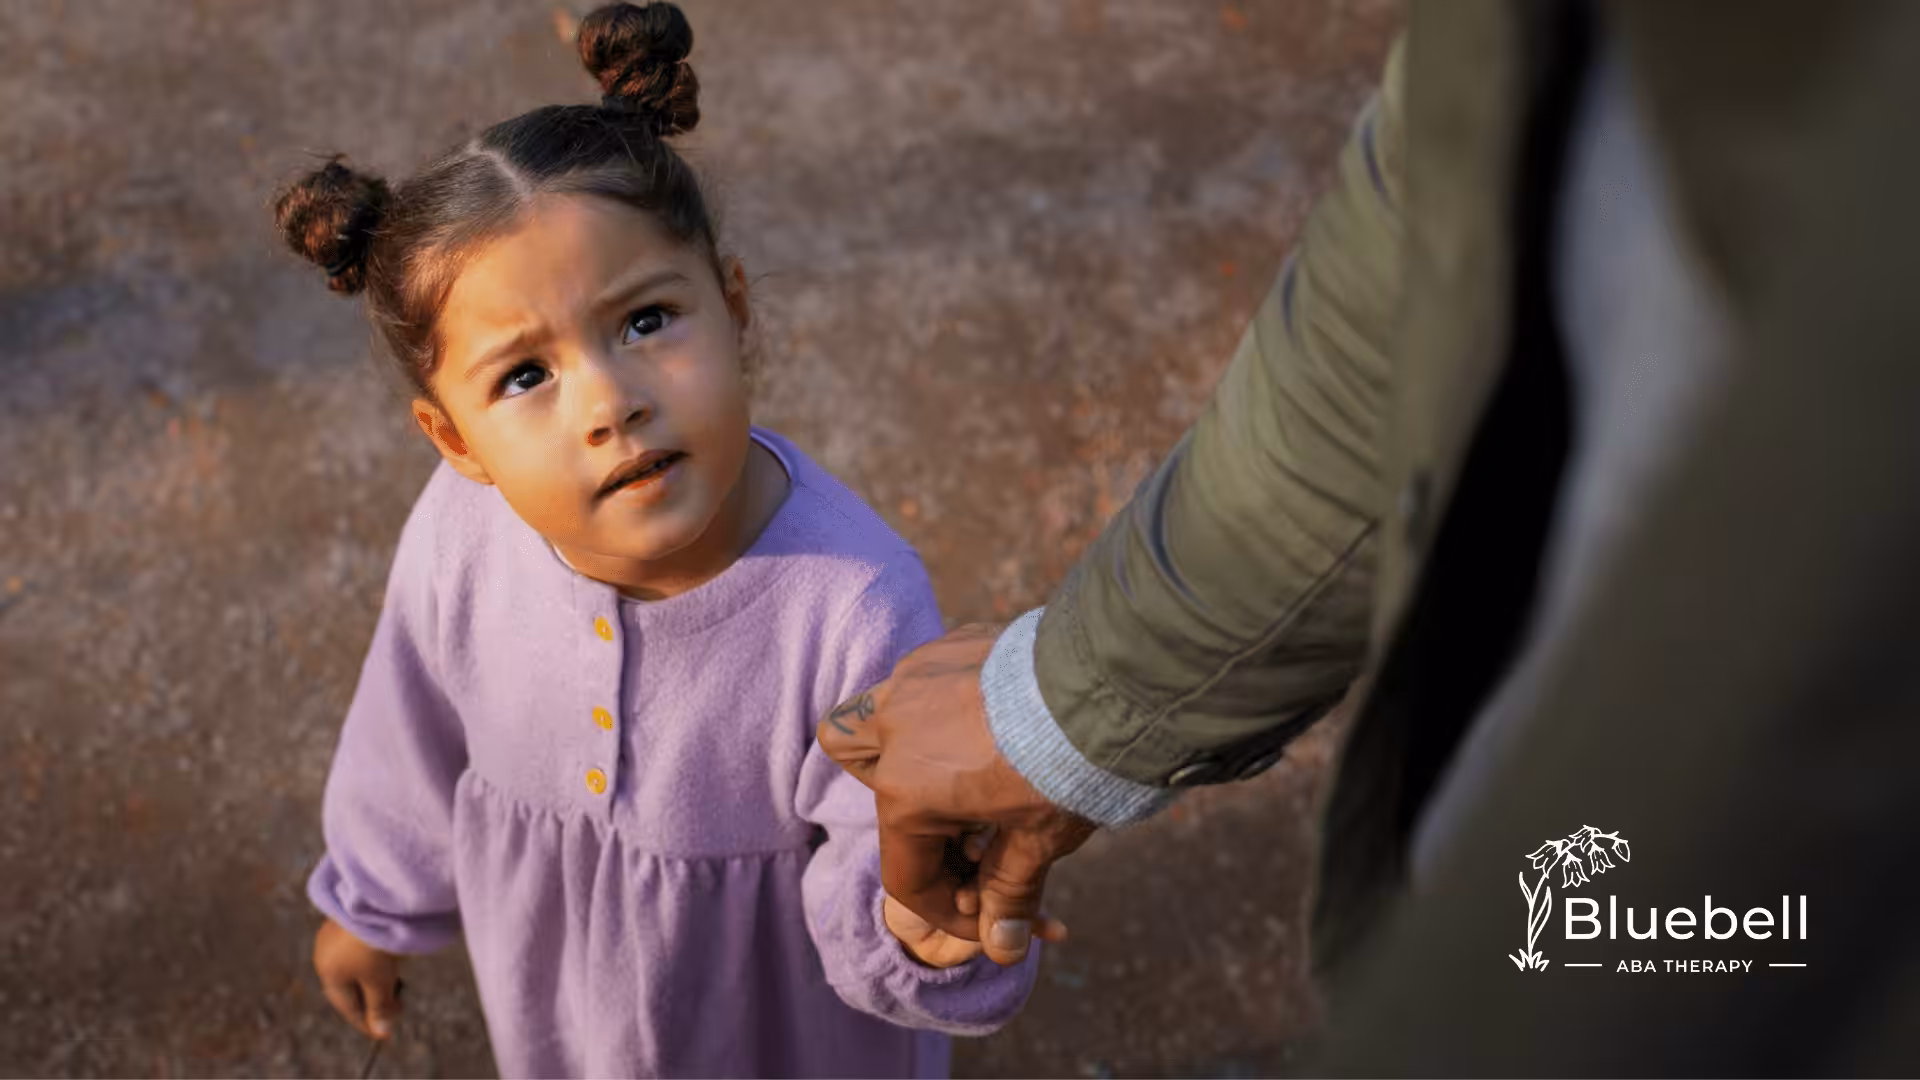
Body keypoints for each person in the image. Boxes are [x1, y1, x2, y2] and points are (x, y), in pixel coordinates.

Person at [818, 1, 1920, 1074]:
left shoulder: (843, 594)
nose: (632, 407)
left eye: (655, 319)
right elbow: (1450, 172)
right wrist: (1075, 702)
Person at [276, 4, 1044, 1076]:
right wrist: (371, 904)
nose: (609, 402)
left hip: (788, 1026)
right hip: (566, 1005)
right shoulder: (463, 532)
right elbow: (406, 722)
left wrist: (931, 932)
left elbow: (899, 860)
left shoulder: (850, 600)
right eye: (525, 376)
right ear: (457, 441)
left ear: (734, 309)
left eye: (645, 321)